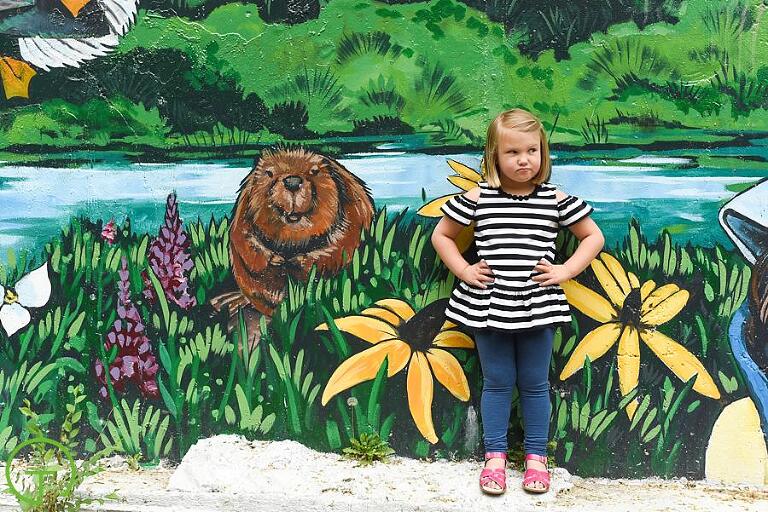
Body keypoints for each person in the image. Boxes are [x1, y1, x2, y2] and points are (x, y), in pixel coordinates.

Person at [431, 109, 604, 495]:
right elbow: (441, 236)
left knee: (534, 382)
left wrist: (565, 271)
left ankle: (536, 458)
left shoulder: (555, 199)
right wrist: (464, 270)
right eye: (512, 152)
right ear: (494, 156)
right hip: (488, 303)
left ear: (543, 153)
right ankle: (494, 456)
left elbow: (593, 237)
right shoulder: (479, 197)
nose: (523, 160)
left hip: (537, 303)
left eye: (532, 150)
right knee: (497, 381)